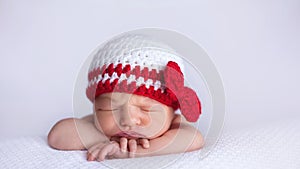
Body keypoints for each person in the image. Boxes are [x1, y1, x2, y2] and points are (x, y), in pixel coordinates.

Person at [48, 34, 204, 161]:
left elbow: (194, 138)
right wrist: (103, 141)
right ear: (95, 107)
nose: (127, 120)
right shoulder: (95, 125)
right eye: (110, 108)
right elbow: (58, 135)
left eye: (145, 108)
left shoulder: (175, 124)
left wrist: (135, 152)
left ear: (171, 111)